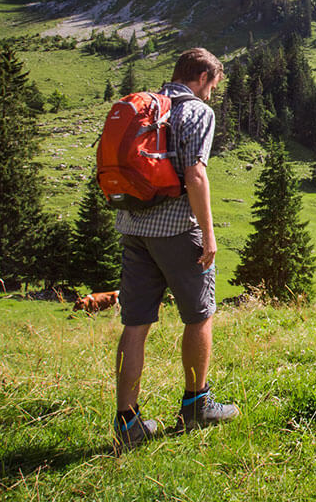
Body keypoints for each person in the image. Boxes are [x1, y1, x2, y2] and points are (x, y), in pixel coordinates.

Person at [113, 47, 239, 450]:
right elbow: (195, 174)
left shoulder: (147, 107)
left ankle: (127, 422)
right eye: (212, 86)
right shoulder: (197, 112)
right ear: (202, 77)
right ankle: (196, 406)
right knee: (200, 315)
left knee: (135, 324)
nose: (211, 95)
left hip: (133, 228)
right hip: (177, 230)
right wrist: (209, 233)